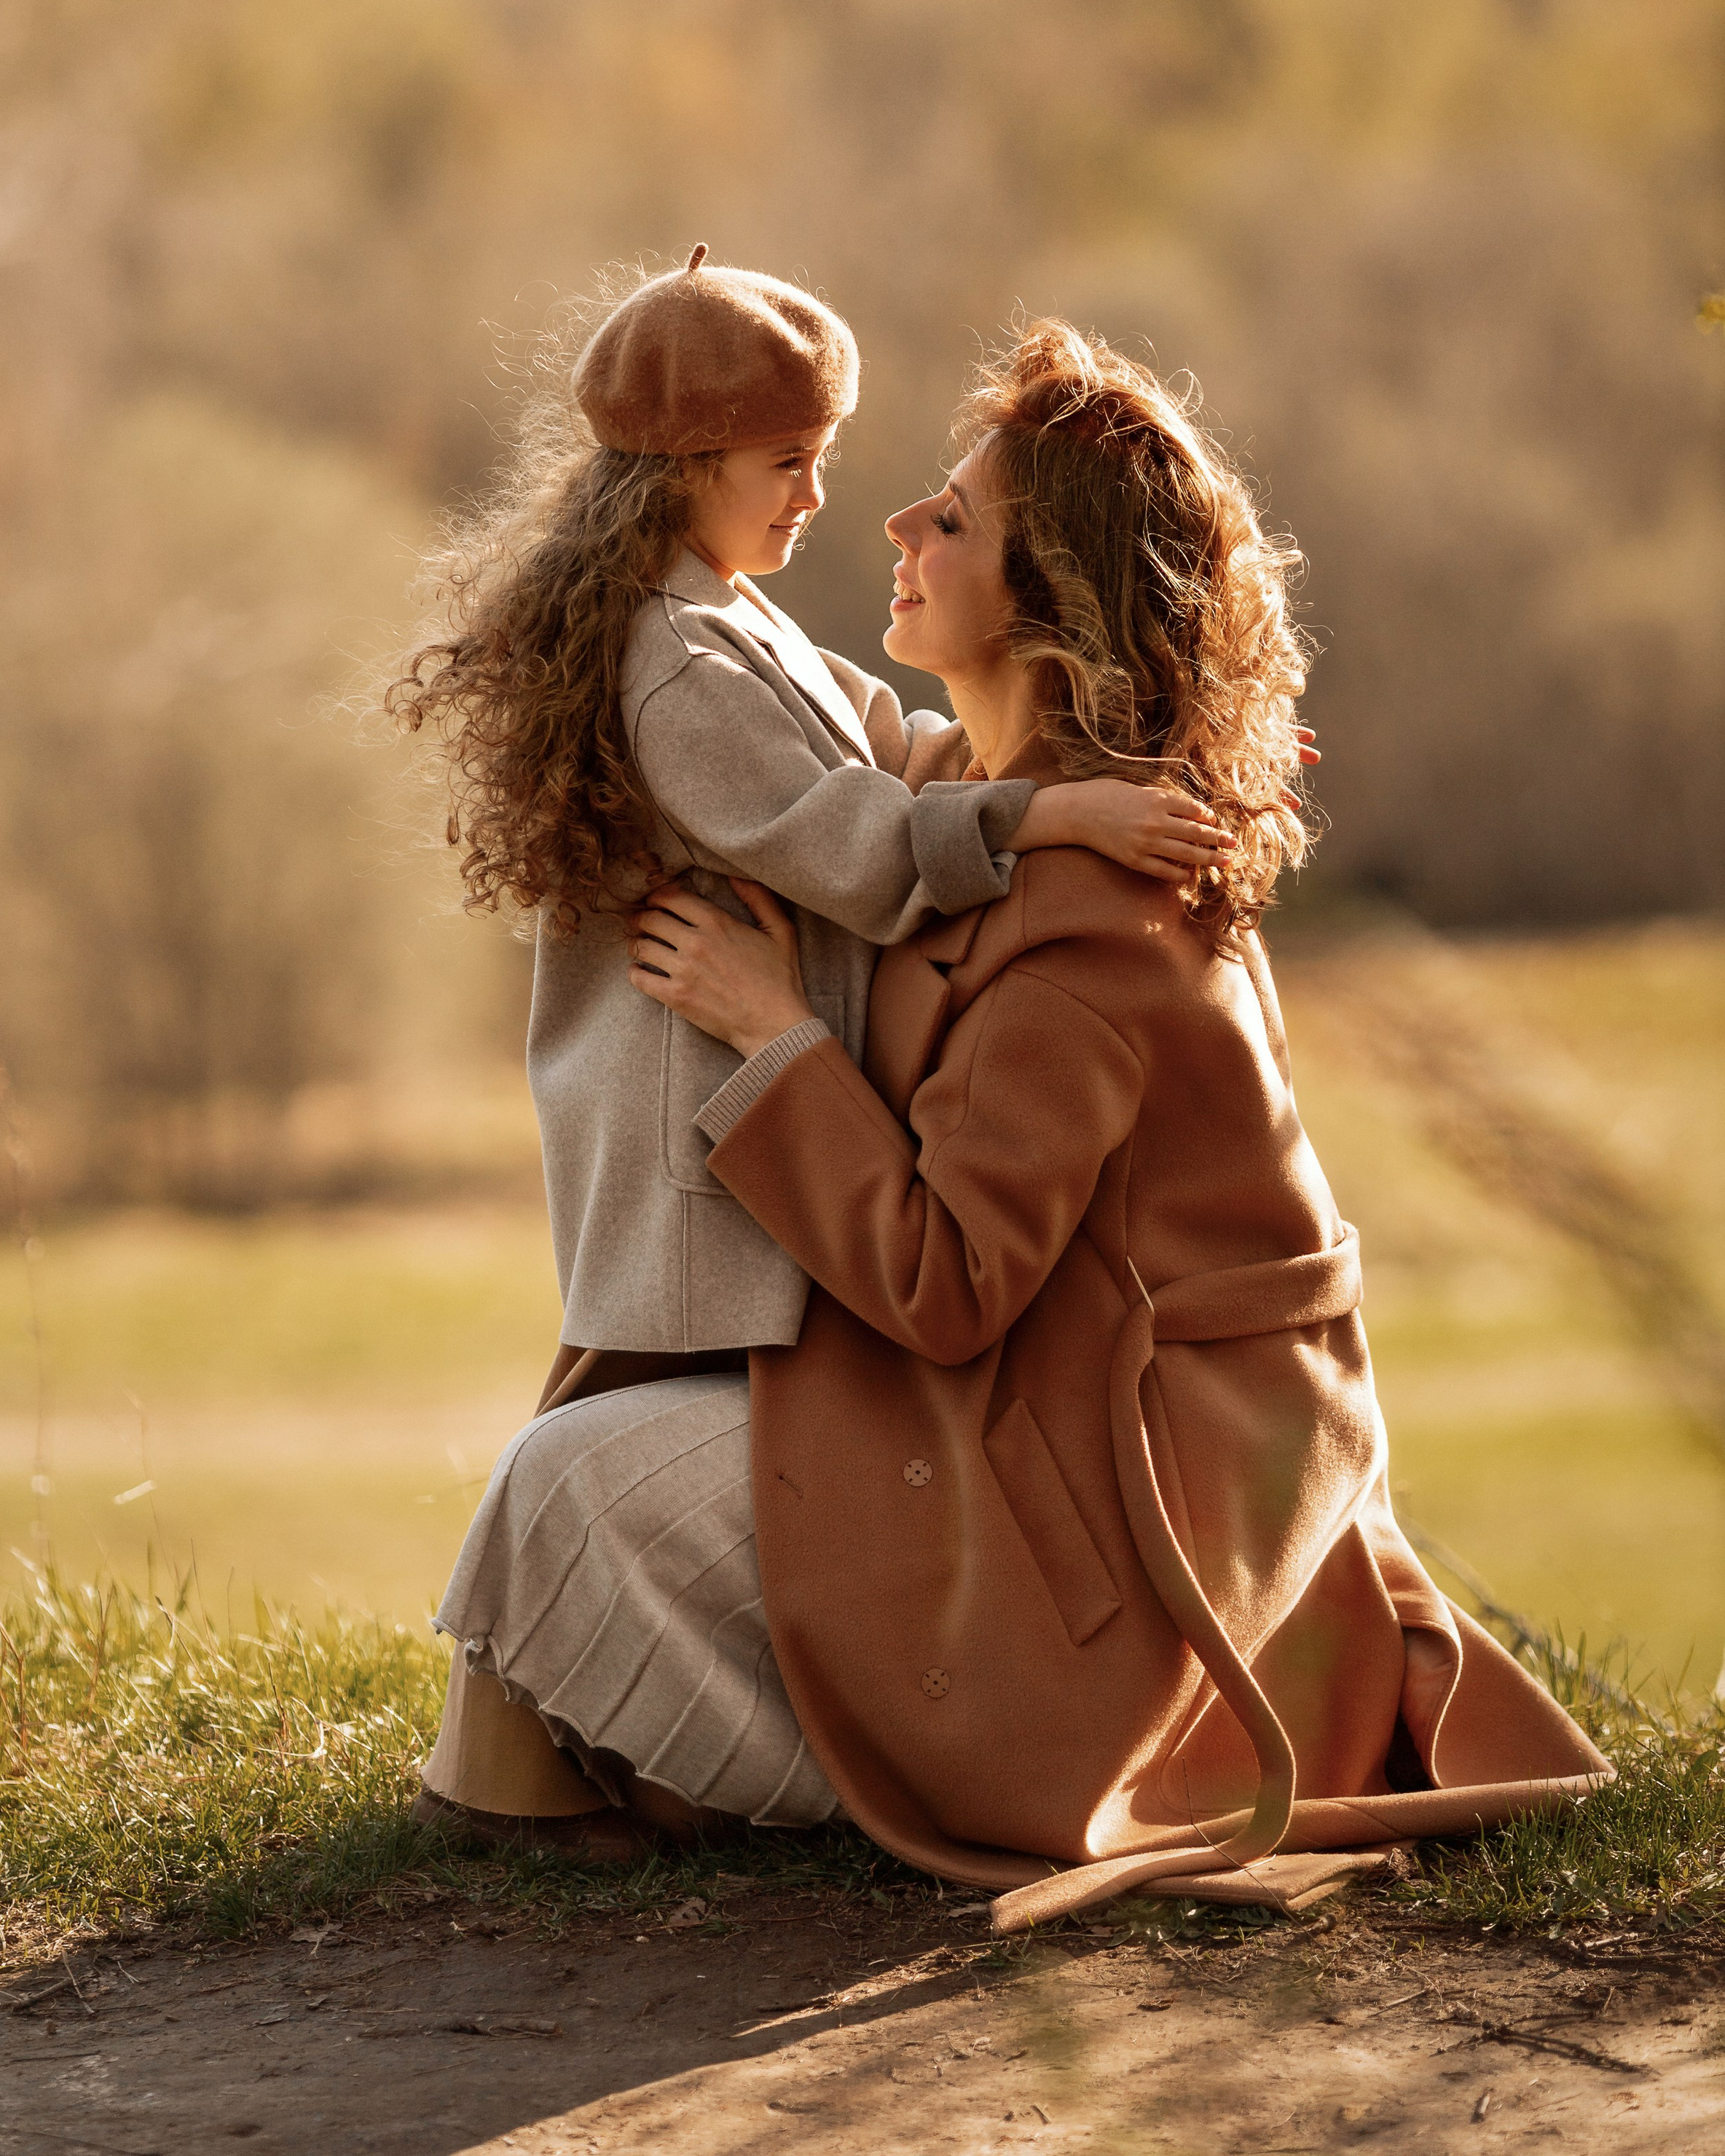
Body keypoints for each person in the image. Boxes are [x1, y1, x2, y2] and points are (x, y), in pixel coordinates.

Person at [460, 318, 1608, 1911]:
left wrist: (767, 1030)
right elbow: (878, 788)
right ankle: (669, 1763)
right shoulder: (992, 811)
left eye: (950, 516)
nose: (891, 522)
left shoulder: (1088, 920)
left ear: (1045, 596)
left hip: (1109, 1502)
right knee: (584, 1448)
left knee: (569, 1485)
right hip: (1018, 1412)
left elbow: (946, 1284)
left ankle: (878, 1777)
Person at [391, 257, 1234, 1853]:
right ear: (684, 469)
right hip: (697, 1128)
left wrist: (1084, 767)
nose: (824, 496)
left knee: (620, 1428)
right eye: (788, 460)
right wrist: (1049, 813)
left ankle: (528, 1772)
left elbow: (893, 748)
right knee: (635, 1419)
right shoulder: (677, 666)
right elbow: (855, 839)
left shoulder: (730, 624)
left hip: (745, 1122)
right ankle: (520, 1778)